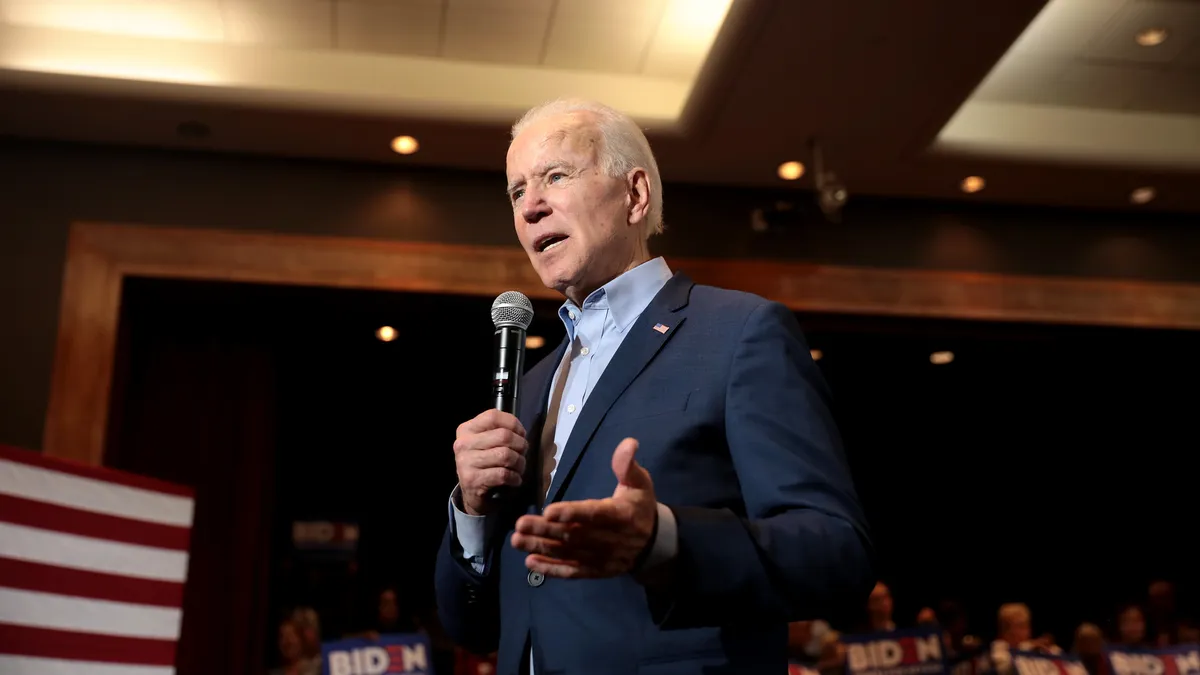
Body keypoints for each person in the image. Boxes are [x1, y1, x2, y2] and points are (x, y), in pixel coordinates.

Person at [434, 97, 875, 675]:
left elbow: (837, 553)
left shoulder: (739, 333)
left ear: (635, 195)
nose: (531, 207)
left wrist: (664, 541)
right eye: (517, 192)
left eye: (555, 177)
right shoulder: (532, 385)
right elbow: (471, 626)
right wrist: (471, 508)